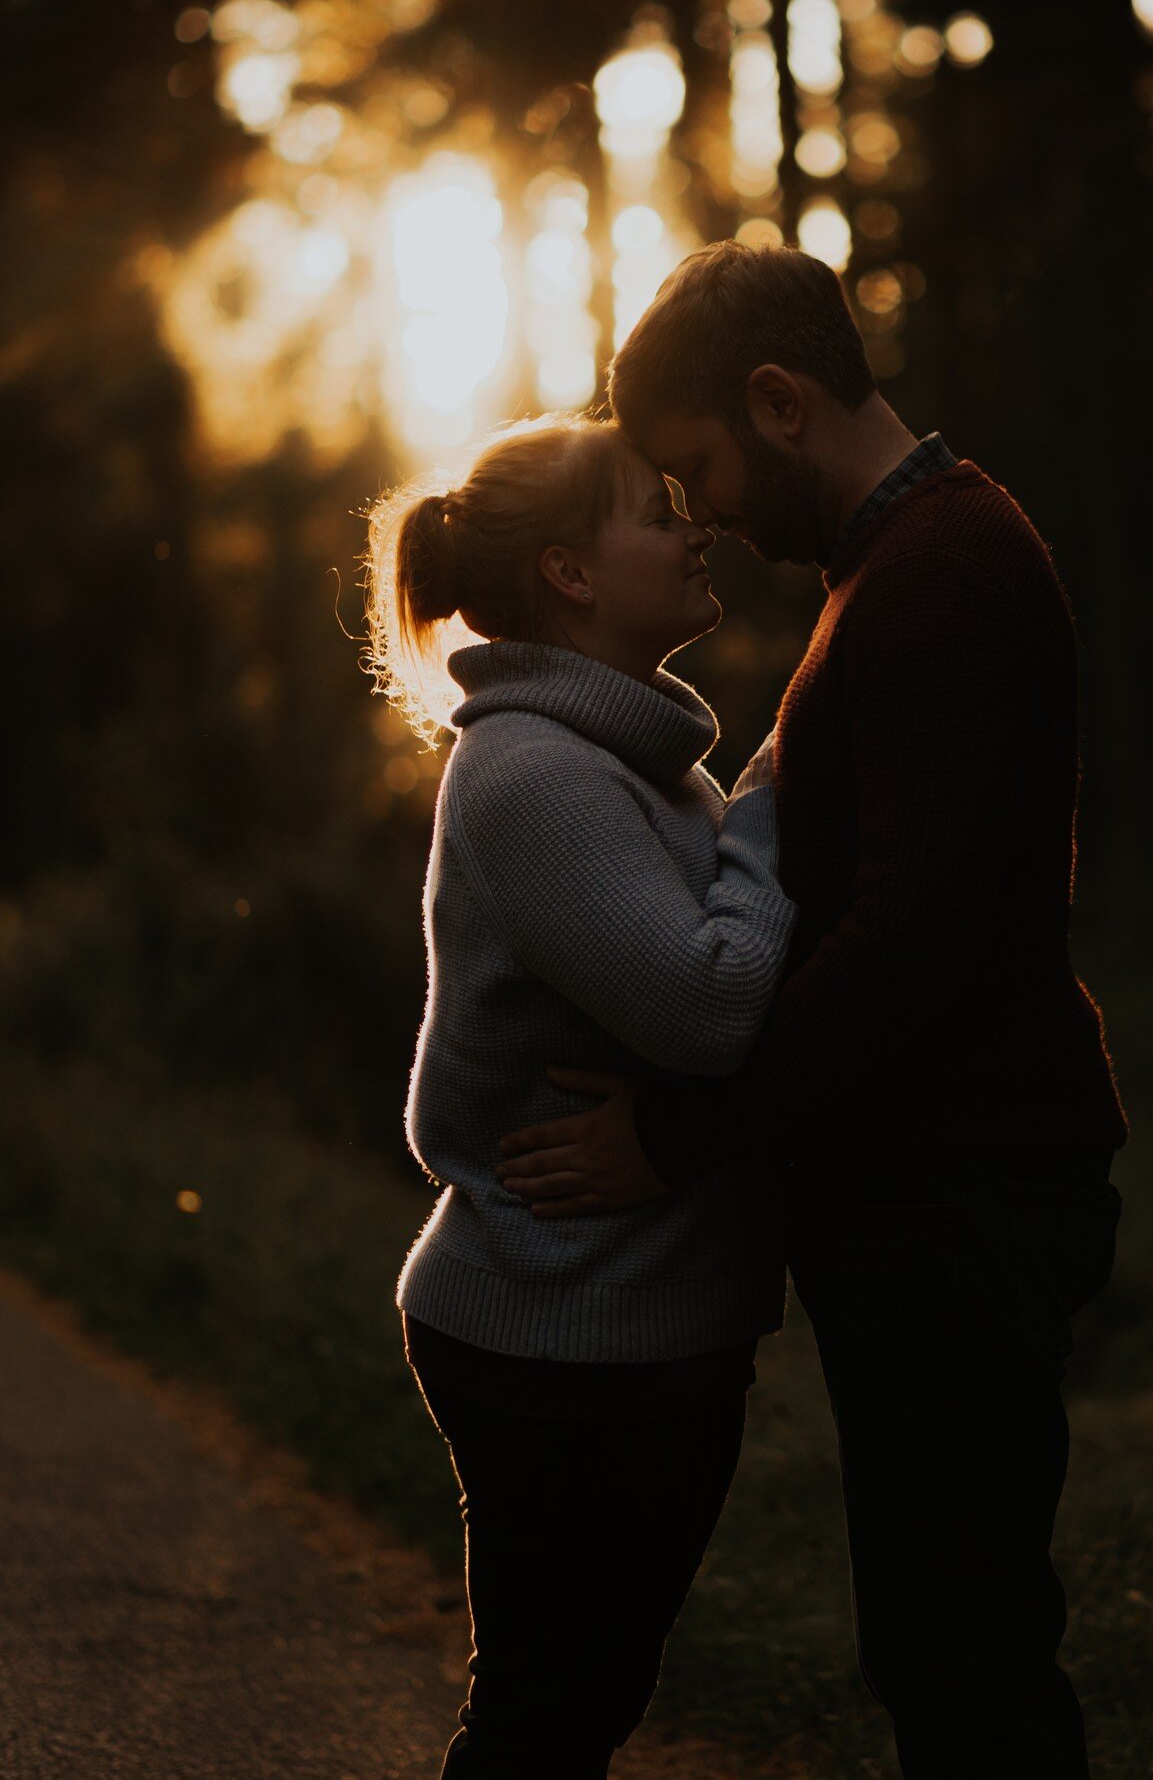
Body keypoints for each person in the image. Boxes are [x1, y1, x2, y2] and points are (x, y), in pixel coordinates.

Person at [495, 242, 1130, 1778]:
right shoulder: (897, 569)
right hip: (928, 1190)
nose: (698, 506)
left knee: (965, 1652)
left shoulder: (943, 571)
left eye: (696, 464)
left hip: (965, 1193)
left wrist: (685, 1136)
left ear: (778, 402)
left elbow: (911, 938)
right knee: (936, 1636)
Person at [363, 411, 797, 1778]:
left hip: (628, 1325)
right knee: (549, 1718)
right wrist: (778, 806)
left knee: (577, 1705)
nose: (695, 524)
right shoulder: (538, 776)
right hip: (558, 1334)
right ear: (569, 572)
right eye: (653, 508)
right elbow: (714, 1004)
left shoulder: (632, 763)